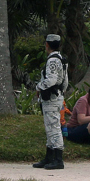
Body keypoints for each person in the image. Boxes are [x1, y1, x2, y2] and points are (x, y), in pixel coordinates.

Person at [34, 34, 69, 170]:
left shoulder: (52, 60)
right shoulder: (61, 59)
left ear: (47, 45)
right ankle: (49, 157)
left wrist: (38, 87)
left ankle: (58, 159)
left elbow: (51, 80)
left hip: (51, 98)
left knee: (53, 127)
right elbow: (65, 81)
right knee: (50, 126)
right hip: (57, 96)